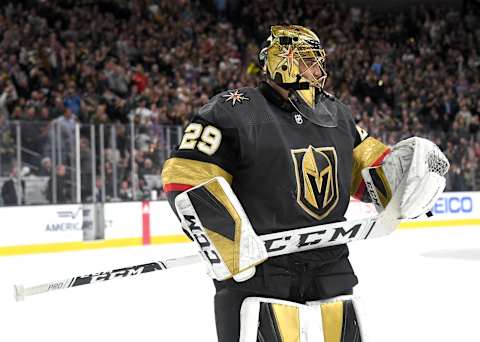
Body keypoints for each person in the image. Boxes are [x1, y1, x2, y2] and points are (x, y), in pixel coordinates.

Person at [161, 25, 449, 342]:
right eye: (307, 60)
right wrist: (229, 239)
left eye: (318, 61)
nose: (317, 70)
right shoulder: (234, 110)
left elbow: (368, 171)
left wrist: (406, 180)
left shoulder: (336, 113)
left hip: (329, 262)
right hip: (261, 268)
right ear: (280, 61)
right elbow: (186, 176)